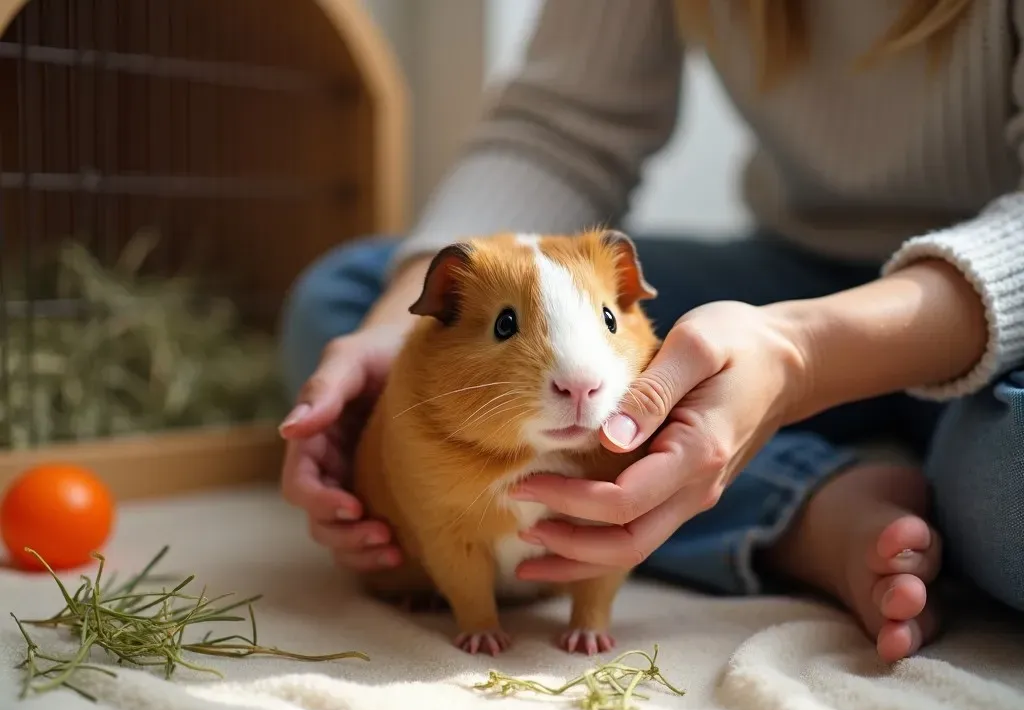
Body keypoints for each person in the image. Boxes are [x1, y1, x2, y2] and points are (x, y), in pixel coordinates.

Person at [276, 0, 1024, 663]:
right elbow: (561, 126)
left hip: (997, 300)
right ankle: (804, 508)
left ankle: (751, 482)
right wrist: (397, 323)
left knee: (1005, 490)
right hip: (795, 263)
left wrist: (803, 353)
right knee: (344, 301)